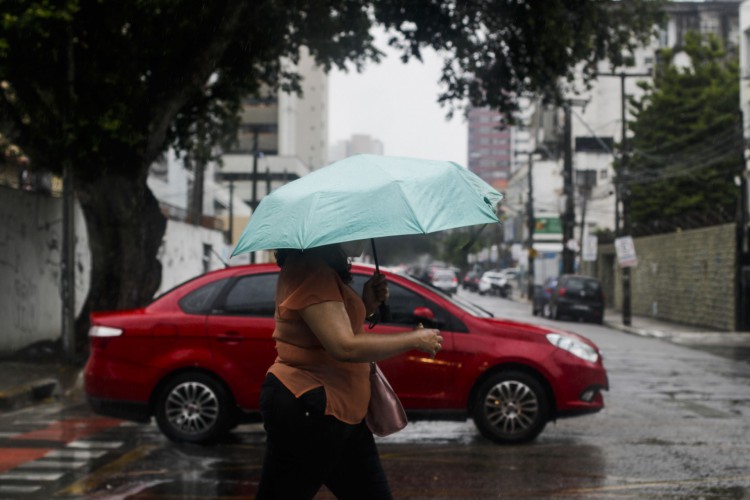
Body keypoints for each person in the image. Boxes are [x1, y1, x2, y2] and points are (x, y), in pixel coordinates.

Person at [256, 240, 443, 499]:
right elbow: (343, 346)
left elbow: (329, 328)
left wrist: (366, 304)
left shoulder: (318, 269)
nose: (362, 237)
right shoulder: (313, 272)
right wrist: (414, 339)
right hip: (311, 408)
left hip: (341, 411)